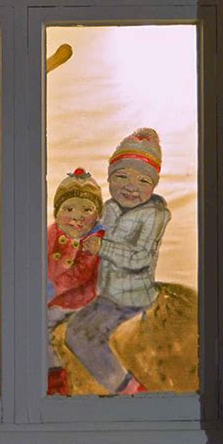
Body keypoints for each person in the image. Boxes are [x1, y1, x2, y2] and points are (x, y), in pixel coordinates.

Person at [65, 129, 171, 395]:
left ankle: (127, 388)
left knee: (80, 335)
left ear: (153, 186)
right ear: (110, 178)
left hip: (127, 296)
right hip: (105, 290)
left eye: (142, 180)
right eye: (121, 176)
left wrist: (103, 248)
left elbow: (140, 257)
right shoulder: (110, 208)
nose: (131, 186)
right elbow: (96, 231)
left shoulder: (153, 215)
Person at [47, 168, 105, 395]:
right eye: (69, 209)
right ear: (57, 213)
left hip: (76, 300)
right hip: (50, 294)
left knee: (39, 328)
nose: (77, 216)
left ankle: (54, 379)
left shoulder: (92, 241)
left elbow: (80, 274)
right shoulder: (51, 233)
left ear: (97, 215)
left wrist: (51, 290)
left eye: (86, 210)